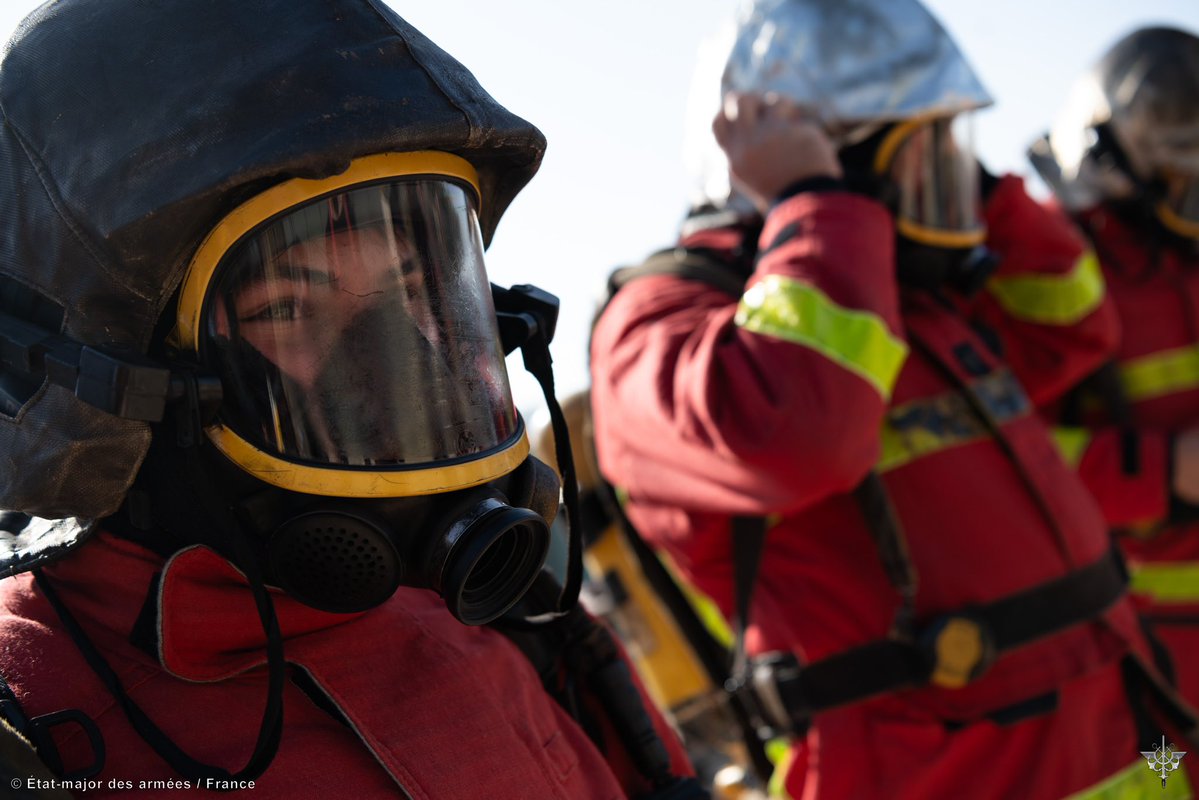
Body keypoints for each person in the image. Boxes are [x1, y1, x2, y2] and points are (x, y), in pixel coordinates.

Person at [0, 1, 703, 797]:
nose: (392, 365)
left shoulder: (523, 628)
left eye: (414, 289)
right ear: (107, 378)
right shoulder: (40, 732)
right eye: (288, 307)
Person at [589, 0, 1196, 797]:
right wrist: (815, 198)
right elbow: (806, 437)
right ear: (832, 162)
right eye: (927, 152)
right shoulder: (660, 321)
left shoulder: (903, 298)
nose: (945, 178)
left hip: (1137, 746)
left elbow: (1071, 330)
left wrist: (965, 184)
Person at [1030, 27, 1199, 712]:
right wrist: (1163, 470)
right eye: (1177, 179)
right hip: (1144, 645)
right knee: (1164, 772)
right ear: (1108, 156)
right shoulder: (1043, 264)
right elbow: (1005, 460)